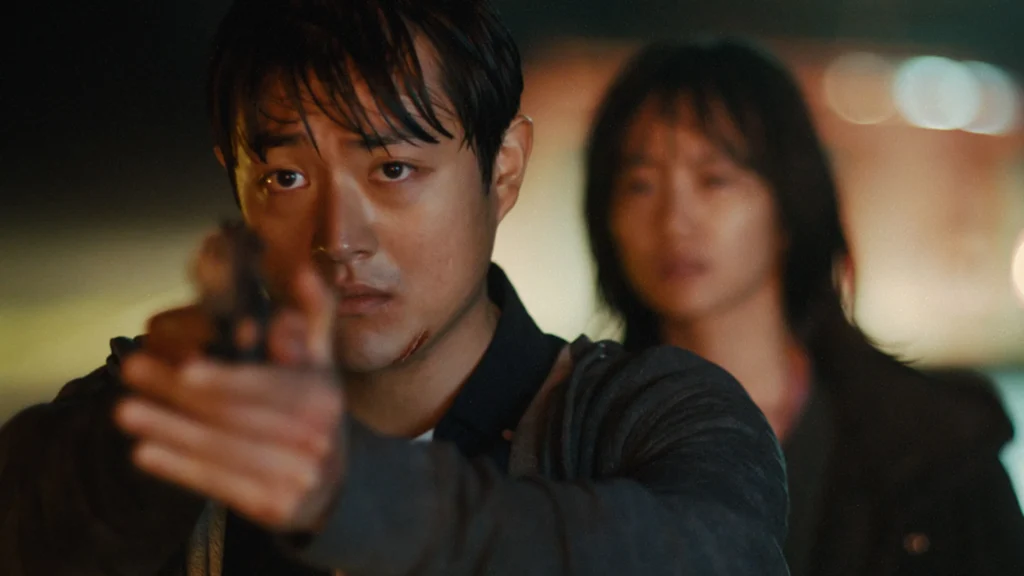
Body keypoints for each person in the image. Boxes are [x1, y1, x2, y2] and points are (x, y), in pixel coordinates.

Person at [0, 4, 788, 576]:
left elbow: (714, 554)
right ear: (234, 180)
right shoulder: (186, 401)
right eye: (285, 177)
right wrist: (151, 445)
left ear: (503, 170)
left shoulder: (640, 417)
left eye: (394, 169)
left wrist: (349, 491)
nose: (339, 238)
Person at [583, 37, 1024, 576]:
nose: (674, 220)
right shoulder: (574, 442)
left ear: (789, 201)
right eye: (639, 184)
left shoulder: (935, 447)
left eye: (714, 180)